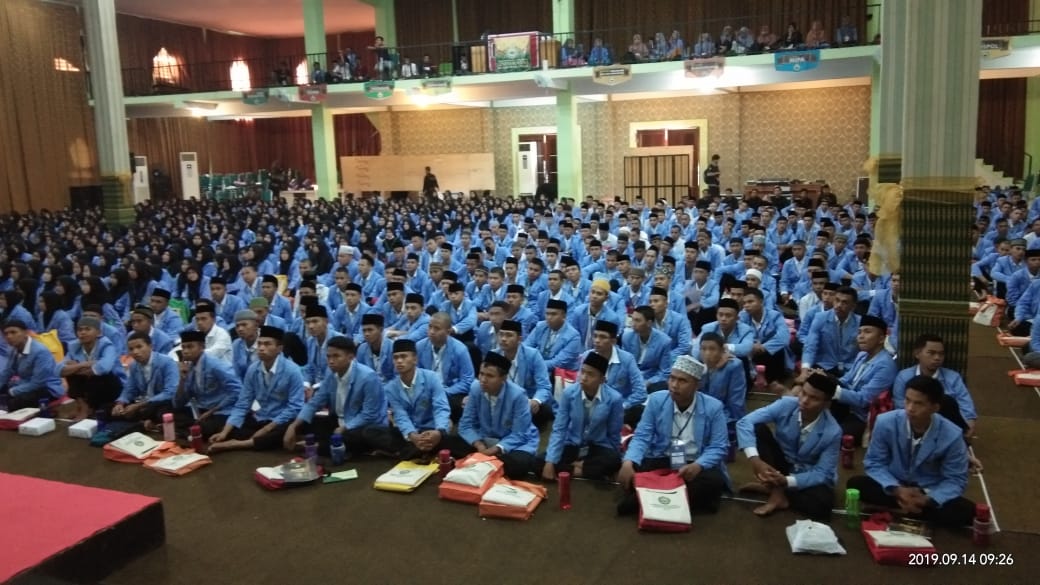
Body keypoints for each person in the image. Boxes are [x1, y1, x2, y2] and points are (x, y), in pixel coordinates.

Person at [847, 375, 976, 529]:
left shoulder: (952, 435)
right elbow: (874, 462)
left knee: (967, 511)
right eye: (907, 400)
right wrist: (897, 490)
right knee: (855, 484)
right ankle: (914, 510)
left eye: (918, 403)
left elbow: (955, 479)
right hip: (894, 485)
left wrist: (927, 499)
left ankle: (905, 508)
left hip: (928, 490)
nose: (910, 408)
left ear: (935, 408)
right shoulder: (885, 422)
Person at [617, 355, 730, 516]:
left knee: (713, 480)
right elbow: (642, 436)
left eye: (682, 381)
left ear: (697, 385)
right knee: (632, 468)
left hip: (694, 463)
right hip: (662, 457)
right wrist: (629, 461)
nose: (674, 385)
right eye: (672, 378)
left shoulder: (713, 407)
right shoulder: (656, 400)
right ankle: (673, 500)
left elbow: (719, 447)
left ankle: (649, 499)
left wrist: (698, 465)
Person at [735, 373, 841, 520]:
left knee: (823, 506)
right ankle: (776, 489)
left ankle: (776, 490)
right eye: (803, 393)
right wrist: (755, 461)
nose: (804, 400)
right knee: (758, 429)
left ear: (826, 404)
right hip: (780, 463)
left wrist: (787, 481)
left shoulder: (833, 431)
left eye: (814, 398)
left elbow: (823, 473)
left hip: (804, 473)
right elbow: (744, 422)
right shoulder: (786, 405)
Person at [284, 336, 387, 457]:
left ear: (351, 357)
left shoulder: (368, 377)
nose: (331, 361)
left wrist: (345, 427)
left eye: (336, 356)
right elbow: (315, 403)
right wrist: (293, 426)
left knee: (358, 436)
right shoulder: (331, 373)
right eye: (328, 356)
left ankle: (318, 447)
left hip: (362, 424)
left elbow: (370, 414)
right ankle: (325, 444)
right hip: (338, 420)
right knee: (303, 422)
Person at [210, 326, 305, 453]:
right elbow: (243, 403)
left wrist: (266, 429)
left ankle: (236, 444)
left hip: (282, 419)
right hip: (262, 417)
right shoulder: (253, 369)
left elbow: (295, 407)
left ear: (279, 349)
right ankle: (251, 441)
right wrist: (224, 432)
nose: (261, 348)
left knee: (282, 432)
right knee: (225, 425)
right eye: (259, 344)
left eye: (267, 344)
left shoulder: (292, 370)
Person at [451, 352, 540, 480]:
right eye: (481, 374)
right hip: (484, 439)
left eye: (490, 376)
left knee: (518, 465)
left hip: (513, 444)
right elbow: (466, 424)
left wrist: (493, 450)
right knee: (447, 441)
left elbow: (520, 434)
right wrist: (479, 445)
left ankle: (482, 463)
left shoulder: (518, 395)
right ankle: (489, 464)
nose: (483, 380)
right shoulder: (476, 388)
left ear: (503, 378)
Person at [538, 352, 623, 482]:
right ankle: (582, 471)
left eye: (590, 374)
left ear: (602, 380)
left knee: (614, 460)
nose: (583, 377)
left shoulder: (614, 399)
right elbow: (559, 429)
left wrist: (612, 458)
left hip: (597, 447)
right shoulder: (569, 393)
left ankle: (572, 469)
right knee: (539, 462)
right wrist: (550, 462)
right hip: (573, 444)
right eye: (582, 372)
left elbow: (614, 435)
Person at [363, 339, 454, 461]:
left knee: (454, 438)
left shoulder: (431, 378)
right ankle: (421, 449)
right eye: (395, 358)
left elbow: (441, 408)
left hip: (431, 429)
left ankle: (410, 451)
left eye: (404, 356)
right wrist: (412, 435)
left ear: (415, 359)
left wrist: (439, 431)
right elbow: (400, 415)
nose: (399, 361)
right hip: (410, 432)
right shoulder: (391, 387)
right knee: (370, 432)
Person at [172, 330, 242, 439]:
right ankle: (190, 431)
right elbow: (178, 403)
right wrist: (182, 379)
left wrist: (211, 411)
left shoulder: (216, 365)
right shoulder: (189, 367)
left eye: (190, 347)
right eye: (183, 347)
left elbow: (238, 390)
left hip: (221, 410)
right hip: (202, 409)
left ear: (202, 347)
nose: (185, 351)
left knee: (205, 427)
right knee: (169, 413)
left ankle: (189, 432)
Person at [58, 316, 124, 421]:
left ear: (98, 333)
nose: (83, 332)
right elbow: (59, 369)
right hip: (88, 383)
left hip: (111, 386)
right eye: (80, 330)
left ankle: (89, 408)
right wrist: (82, 365)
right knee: (71, 374)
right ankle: (82, 406)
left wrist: (75, 367)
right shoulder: (74, 346)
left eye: (87, 329)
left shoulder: (107, 345)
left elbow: (104, 368)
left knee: (98, 375)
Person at [492, 319, 553, 428]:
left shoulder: (533, 355)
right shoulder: (494, 355)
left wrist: (536, 400)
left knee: (543, 410)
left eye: (509, 335)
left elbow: (544, 386)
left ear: (519, 339)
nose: (503, 339)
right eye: (501, 334)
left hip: (526, 400)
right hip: (501, 400)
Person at [111, 331, 180, 426]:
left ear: (150, 346)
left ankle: (144, 422)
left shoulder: (167, 362)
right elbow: (130, 389)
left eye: (139, 347)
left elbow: (170, 392)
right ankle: (143, 422)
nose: (135, 352)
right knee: (111, 410)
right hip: (144, 402)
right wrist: (120, 403)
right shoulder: (134, 365)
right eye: (131, 349)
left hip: (163, 403)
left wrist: (140, 405)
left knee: (162, 412)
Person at [416, 312, 475, 423]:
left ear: (448, 332)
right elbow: (416, 375)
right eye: (430, 327)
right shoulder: (419, 346)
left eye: (437, 328)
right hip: (426, 391)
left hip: (450, 392)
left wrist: (445, 391)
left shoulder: (460, 350)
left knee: (462, 405)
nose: (431, 331)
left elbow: (467, 381)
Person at [0, 319, 64, 411]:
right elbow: (7, 372)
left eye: (13, 332)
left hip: (46, 388)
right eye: (6, 334)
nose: (9, 336)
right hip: (25, 385)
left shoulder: (40, 351)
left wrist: (12, 391)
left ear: (25, 333)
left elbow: (38, 383)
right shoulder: (13, 350)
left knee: (13, 402)